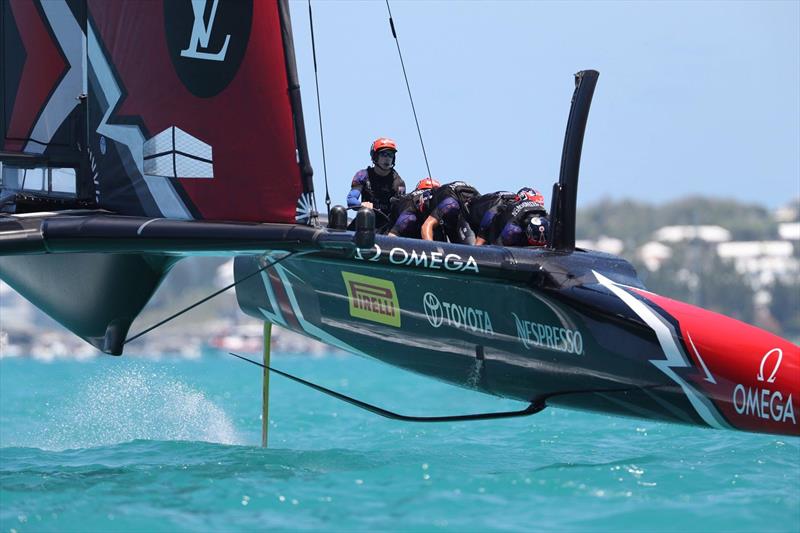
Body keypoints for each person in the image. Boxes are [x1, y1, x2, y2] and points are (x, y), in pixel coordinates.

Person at [346, 137, 405, 230]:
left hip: (385, 227)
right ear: (375, 156)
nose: (387, 159)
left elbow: (400, 211)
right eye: (383, 154)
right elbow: (351, 200)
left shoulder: (398, 183)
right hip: (364, 221)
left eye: (390, 155)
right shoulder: (362, 175)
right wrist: (362, 205)